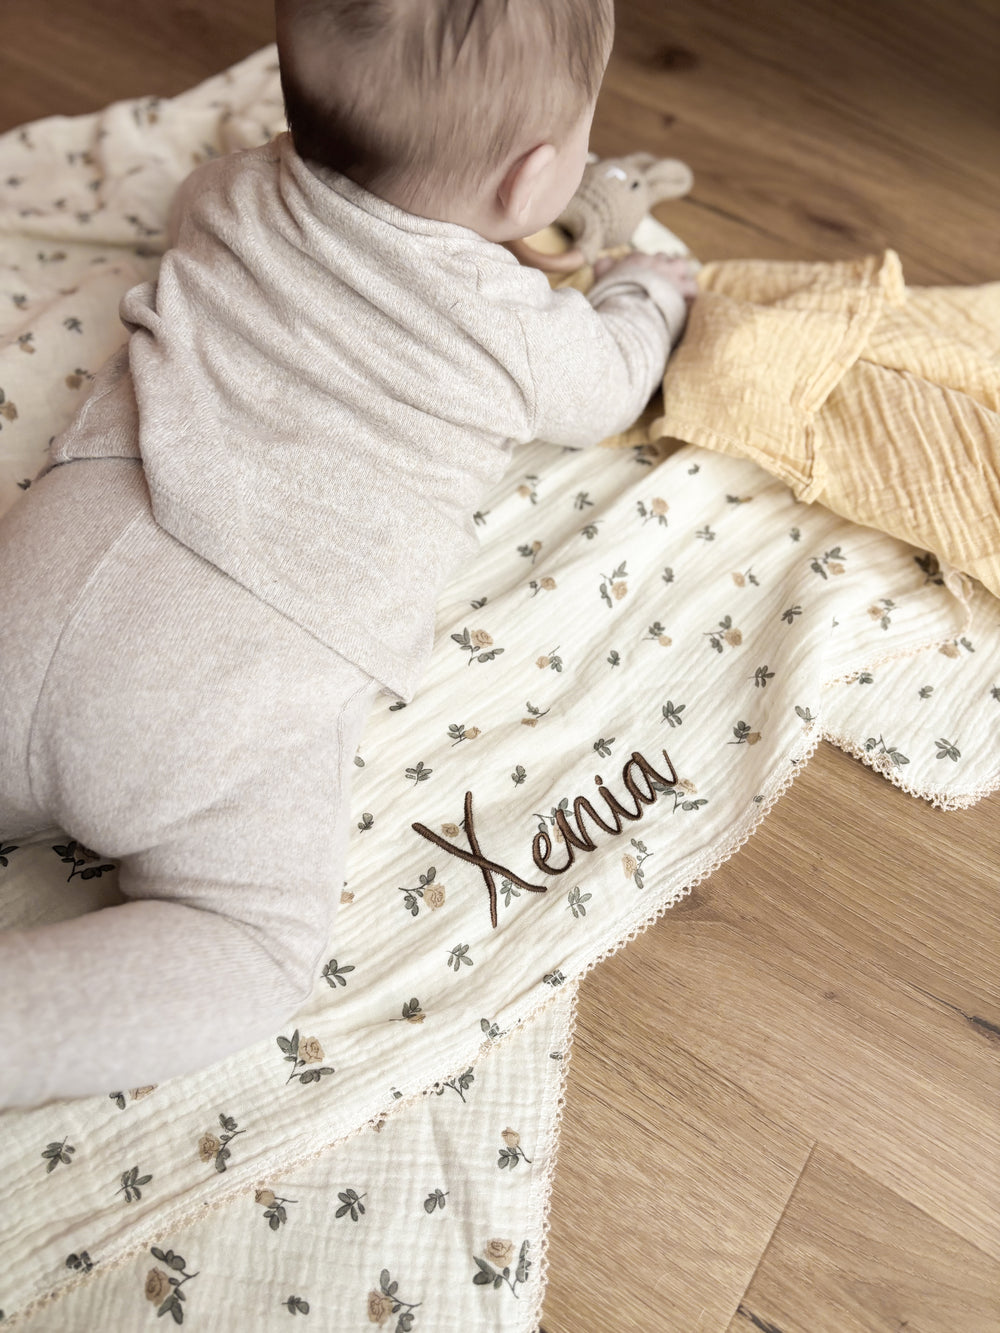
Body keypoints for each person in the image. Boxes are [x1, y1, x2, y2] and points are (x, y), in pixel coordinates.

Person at [0, 0, 697, 1107]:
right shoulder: (512, 324)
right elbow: (612, 384)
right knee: (250, 946)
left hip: (44, 590)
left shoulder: (235, 189)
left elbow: (187, 204)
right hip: (237, 686)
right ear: (532, 184)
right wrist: (645, 294)